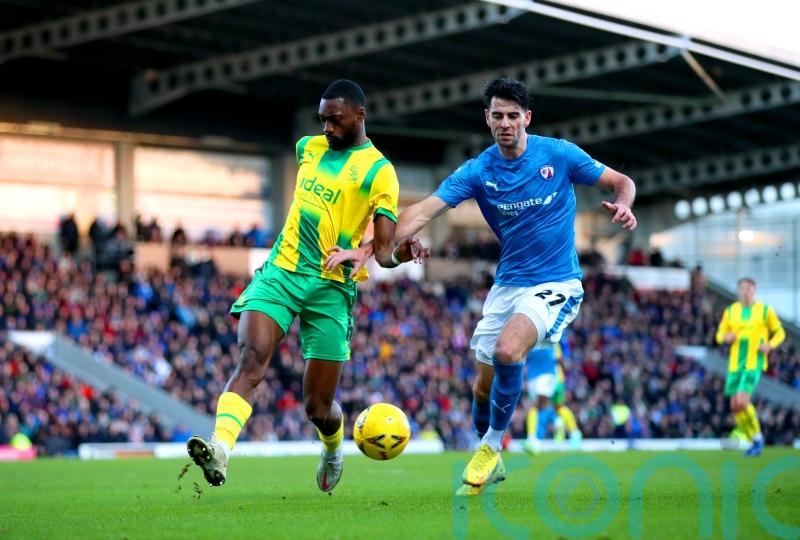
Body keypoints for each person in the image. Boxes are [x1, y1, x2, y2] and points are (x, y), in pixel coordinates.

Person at [326, 77, 637, 495]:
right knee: (482, 389)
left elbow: (622, 181)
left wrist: (624, 205)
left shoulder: (559, 154)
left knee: (510, 349)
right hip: (507, 285)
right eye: (497, 115)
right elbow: (422, 212)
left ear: (527, 118)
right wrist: (369, 247)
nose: (505, 123)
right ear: (487, 119)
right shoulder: (478, 170)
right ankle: (490, 447)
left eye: (513, 115)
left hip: (557, 281)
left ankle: (491, 446)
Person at [186, 79, 423, 492]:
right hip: (281, 271)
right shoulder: (306, 149)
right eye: (322, 120)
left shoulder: (380, 172)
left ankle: (332, 446)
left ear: (359, 116)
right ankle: (220, 450)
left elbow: (385, 252)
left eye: (335, 120)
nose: (327, 128)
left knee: (317, 407)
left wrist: (397, 252)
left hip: (331, 290)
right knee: (251, 358)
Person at [715, 277, 785, 456]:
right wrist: (725, 337)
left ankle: (758, 438)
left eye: (749, 288)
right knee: (735, 406)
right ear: (738, 291)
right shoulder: (731, 311)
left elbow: (780, 332)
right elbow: (719, 335)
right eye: (742, 288)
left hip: (752, 363)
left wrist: (769, 345)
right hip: (734, 365)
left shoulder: (764, 310)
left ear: (754, 290)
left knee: (742, 401)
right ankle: (753, 439)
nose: (745, 292)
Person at [523, 335, 581, 454]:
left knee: (541, 406)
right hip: (539, 377)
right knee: (555, 407)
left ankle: (534, 439)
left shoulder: (554, 338)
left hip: (554, 379)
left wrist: (563, 377)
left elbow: (560, 359)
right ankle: (572, 432)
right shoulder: (534, 336)